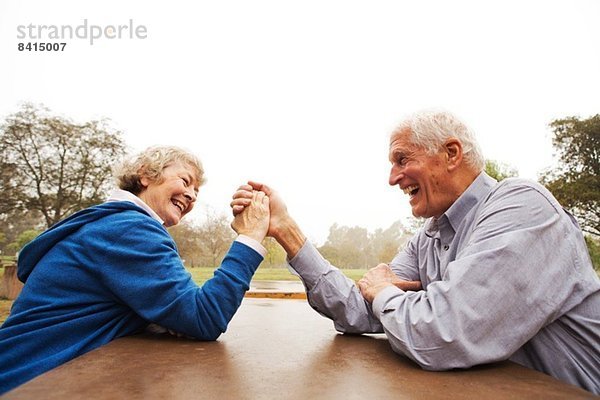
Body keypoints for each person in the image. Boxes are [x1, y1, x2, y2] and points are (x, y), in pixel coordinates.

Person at [232, 110, 600, 394]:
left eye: (402, 159)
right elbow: (359, 312)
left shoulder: (522, 206)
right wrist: (285, 228)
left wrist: (385, 291)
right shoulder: (428, 236)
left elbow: (441, 334)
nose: (393, 177)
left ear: (451, 153)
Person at [0, 145, 270, 394]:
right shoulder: (131, 229)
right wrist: (250, 236)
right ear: (145, 176)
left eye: (196, 192)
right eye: (185, 181)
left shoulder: (111, 222)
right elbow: (204, 317)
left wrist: (161, 318)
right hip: (26, 382)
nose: (191, 195)